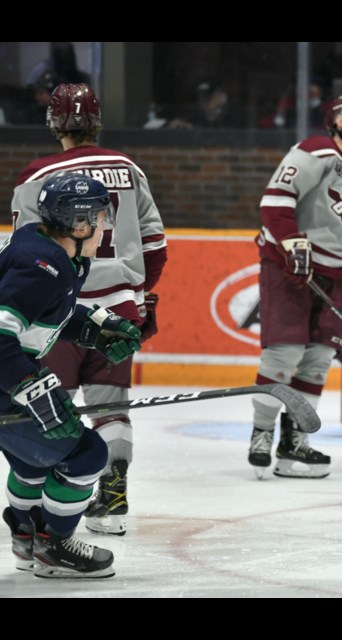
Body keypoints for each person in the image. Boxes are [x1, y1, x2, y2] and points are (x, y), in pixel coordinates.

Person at [11, 83, 168, 537]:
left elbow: (28, 254)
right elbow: (155, 246)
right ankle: (113, 498)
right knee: (111, 406)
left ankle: (44, 514)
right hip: (118, 310)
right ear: (97, 120)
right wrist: (136, 297)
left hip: (60, 313)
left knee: (50, 412)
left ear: (53, 124)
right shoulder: (128, 168)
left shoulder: (36, 175)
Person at [2, 173, 142, 578]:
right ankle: (54, 546)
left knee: (32, 463)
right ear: (79, 224)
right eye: (99, 217)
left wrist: (95, 327)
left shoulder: (45, 251)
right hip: (4, 383)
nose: (104, 225)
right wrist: (32, 389)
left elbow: (45, 313)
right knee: (87, 455)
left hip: (4, 379)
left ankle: (26, 538)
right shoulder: (41, 265)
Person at [249, 92, 342, 478]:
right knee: (284, 354)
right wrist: (293, 243)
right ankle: (261, 433)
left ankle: (294, 443)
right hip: (288, 270)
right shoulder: (316, 152)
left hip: (334, 279)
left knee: (317, 360)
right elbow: (276, 201)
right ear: (338, 120)